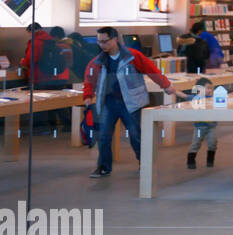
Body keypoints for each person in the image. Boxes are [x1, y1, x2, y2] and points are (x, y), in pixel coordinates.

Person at [82, 26, 183, 179]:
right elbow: (89, 79)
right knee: (103, 136)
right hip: (108, 103)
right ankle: (103, 167)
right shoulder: (97, 61)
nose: (101, 45)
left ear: (115, 39)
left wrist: (166, 86)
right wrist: (87, 96)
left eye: (105, 41)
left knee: (135, 135)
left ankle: (145, 164)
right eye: (99, 42)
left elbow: (152, 70)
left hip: (130, 103)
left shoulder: (133, 56)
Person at [185, 76, 219, 170]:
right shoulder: (196, 98)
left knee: (213, 143)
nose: (210, 90)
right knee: (196, 143)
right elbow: (184, 96)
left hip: (211, 127)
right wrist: (172, 90)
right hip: (199, 127)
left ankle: (210, 161)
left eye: (211, 88)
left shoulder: (212, 98)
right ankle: (191, 161)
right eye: (208, 88)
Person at [22, 22, 68, 89]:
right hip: (52, 76)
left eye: (28, 33)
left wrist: (23, 61)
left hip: (39, 77)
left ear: (31, 32)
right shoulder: (50, 39)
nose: (29, 35)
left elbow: (31, 60)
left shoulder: (36, 42)